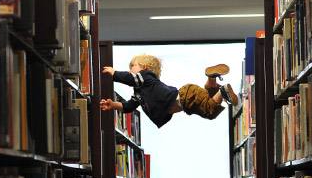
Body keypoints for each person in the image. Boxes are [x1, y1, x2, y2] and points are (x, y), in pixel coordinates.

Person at [99, 55, 239, 128]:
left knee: (210, 110)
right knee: (208, 104)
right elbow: (129, 105)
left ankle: (222, 90)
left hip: (185, 96)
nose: (130, 69)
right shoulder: (140, 92)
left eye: (133, 66)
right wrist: (114, 105)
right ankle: (211, 78)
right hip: (186, 100)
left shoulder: (145, 77)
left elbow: (130, 78)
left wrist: (115, 73)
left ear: (145, 67)